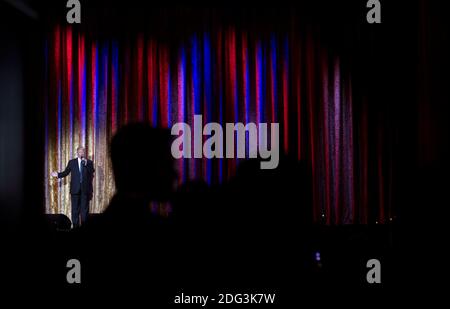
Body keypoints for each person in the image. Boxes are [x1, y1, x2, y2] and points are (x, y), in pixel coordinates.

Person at [51, 146, 95, 228]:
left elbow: (91, 171)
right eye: (80, 151)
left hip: (85, 190)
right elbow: (66, 172)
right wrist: (58, 174)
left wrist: (86, 164)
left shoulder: (89, 162)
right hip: (75, 189)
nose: (81, 153)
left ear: (84, 153)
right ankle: (75, 226)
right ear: (77, 152)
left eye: (83, 151)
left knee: (84, 210)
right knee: (75, 210)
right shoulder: (72, 162)